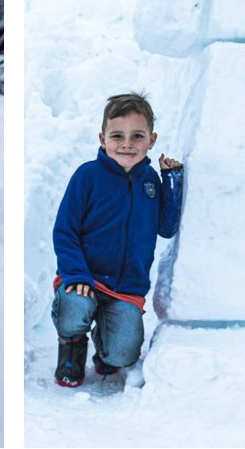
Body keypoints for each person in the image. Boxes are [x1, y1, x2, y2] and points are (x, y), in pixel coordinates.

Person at [50, 92, 184, 388]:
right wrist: (76, 274)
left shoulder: (151, 181)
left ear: (151, 140)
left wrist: (172, 180)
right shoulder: (87, 176)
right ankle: (71, 348)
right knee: (75, 305)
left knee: (123, 355)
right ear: (102, 139)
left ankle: (106, 348)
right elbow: (65, 231)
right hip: (85, 279)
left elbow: (166, 227)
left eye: (137, 136)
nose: (127, 144)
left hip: (126, 288)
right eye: (117, 136)